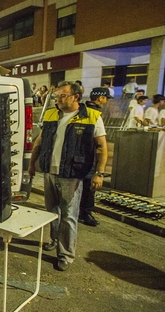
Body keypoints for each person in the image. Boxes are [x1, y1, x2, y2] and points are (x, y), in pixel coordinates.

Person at [28, 81, 107, 271]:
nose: (58, 99)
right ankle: (54, 240)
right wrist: (31, 164)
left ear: (76, 97)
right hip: (50, 172)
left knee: (69, 215)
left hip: (72, 174)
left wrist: (99, 173)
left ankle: (66, 255)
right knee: (52, 212)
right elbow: (39, 142)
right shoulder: (51, 114)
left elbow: (102, 148)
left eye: (62, 96)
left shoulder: (91, 116)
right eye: (57, 96)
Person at [79, 87, 112, 227]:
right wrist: (100, 172)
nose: (106, 101)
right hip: (88, 156)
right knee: (88, 186)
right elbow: (101, 145)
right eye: (106, 98)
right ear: (100, 98)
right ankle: (85, 213)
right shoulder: (94, 113)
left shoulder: (81, 109)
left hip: (79, 155)